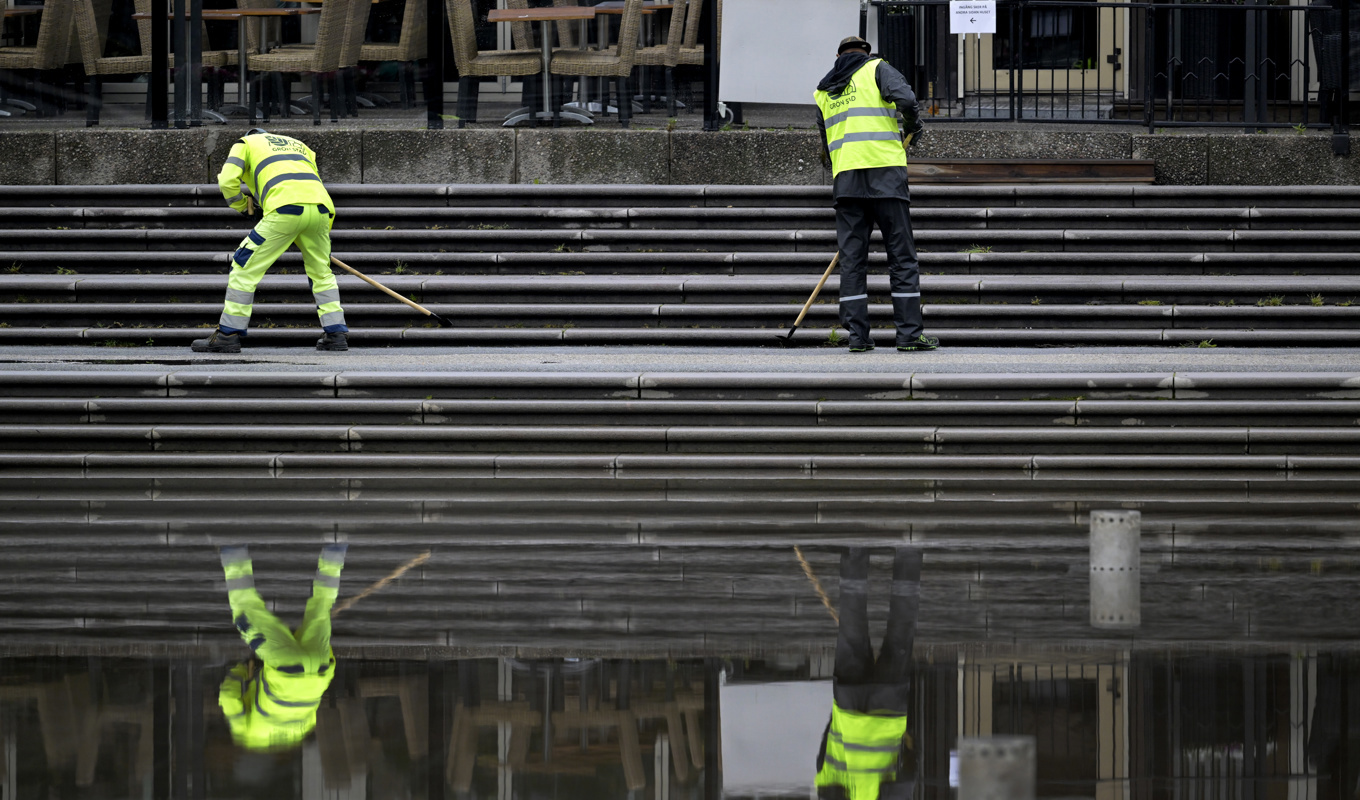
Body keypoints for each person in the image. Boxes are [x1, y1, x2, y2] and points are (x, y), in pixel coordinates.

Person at [814, 37, 938, 353]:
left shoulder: (823, 90)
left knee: (853, 260)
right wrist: (914, 127)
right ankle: (909, 334)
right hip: (886, 174)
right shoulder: (877, 68)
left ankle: (858, 337)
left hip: (847, 181)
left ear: (838, 56)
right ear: (865, 53)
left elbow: (825, 142)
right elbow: (907, 101)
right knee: (901, 255)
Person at [193, 128, 349, 354]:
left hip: (284, 209)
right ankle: (336, 334)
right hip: (321, 210)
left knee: (243, 265)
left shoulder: (245, 143)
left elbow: (227, 181)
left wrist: (243, 207)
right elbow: (306, 181)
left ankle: (228, 335)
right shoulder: (299, 144)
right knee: (321, 273)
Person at [217, 543, 347, 751]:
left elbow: (305, 695)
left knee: (321, 606)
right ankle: (233, 551)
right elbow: (228, 696)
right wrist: (240, 670)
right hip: (284, 668)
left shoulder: (301, 730)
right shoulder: (249, 735)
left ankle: (335, 553)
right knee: (246, 612)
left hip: (321, 667)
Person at [815, 547, 920, 800]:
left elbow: (908, 775)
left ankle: (909, 554)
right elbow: (822, 762)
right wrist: (836, 717)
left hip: (889, 710)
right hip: (849, 707)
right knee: (852, 629)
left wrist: (908, 749)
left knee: (900, 632)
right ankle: (855, 553)